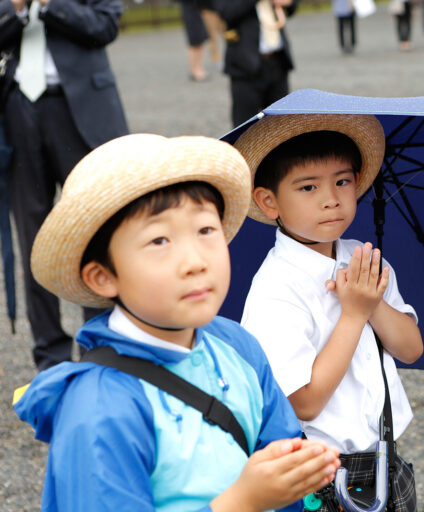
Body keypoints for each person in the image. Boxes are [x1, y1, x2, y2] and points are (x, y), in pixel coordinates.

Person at [12, 133, 341, 511]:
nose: (195, 261)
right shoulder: (100, 406)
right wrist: (242, 502)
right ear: (103, 276)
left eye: (205, 231)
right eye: (159, 241)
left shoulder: (236, 345)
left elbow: (285, 467)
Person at [233, 114, 423, 511]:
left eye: (342, 181)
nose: (331, 198)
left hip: (386, 458)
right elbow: (303, 401)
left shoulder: (362, 257)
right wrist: (354, 314)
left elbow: (410, 348)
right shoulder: (276, 288)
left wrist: (372, 305)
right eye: (307, 187)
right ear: (269, 202)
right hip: (322, 473)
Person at [0, 0, 129, 371]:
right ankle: (50, 358)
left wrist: (50, 4)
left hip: (83, 112)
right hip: (17, 110)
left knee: (93, 232)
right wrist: (18, 8)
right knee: (33, 237)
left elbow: (105, 26)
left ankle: (100, 351)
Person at [214, 0, 298, 127]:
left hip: (278, 60)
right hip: (244, 65)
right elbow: (226, 12)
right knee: (244, 128)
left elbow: (291, 9)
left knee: (281, 126)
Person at [176, 0, 210, 81]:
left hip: (197, 12)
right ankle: (195, 70)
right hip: (191, 13)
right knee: (194, 42)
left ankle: (199, 67)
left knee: (199, 42)